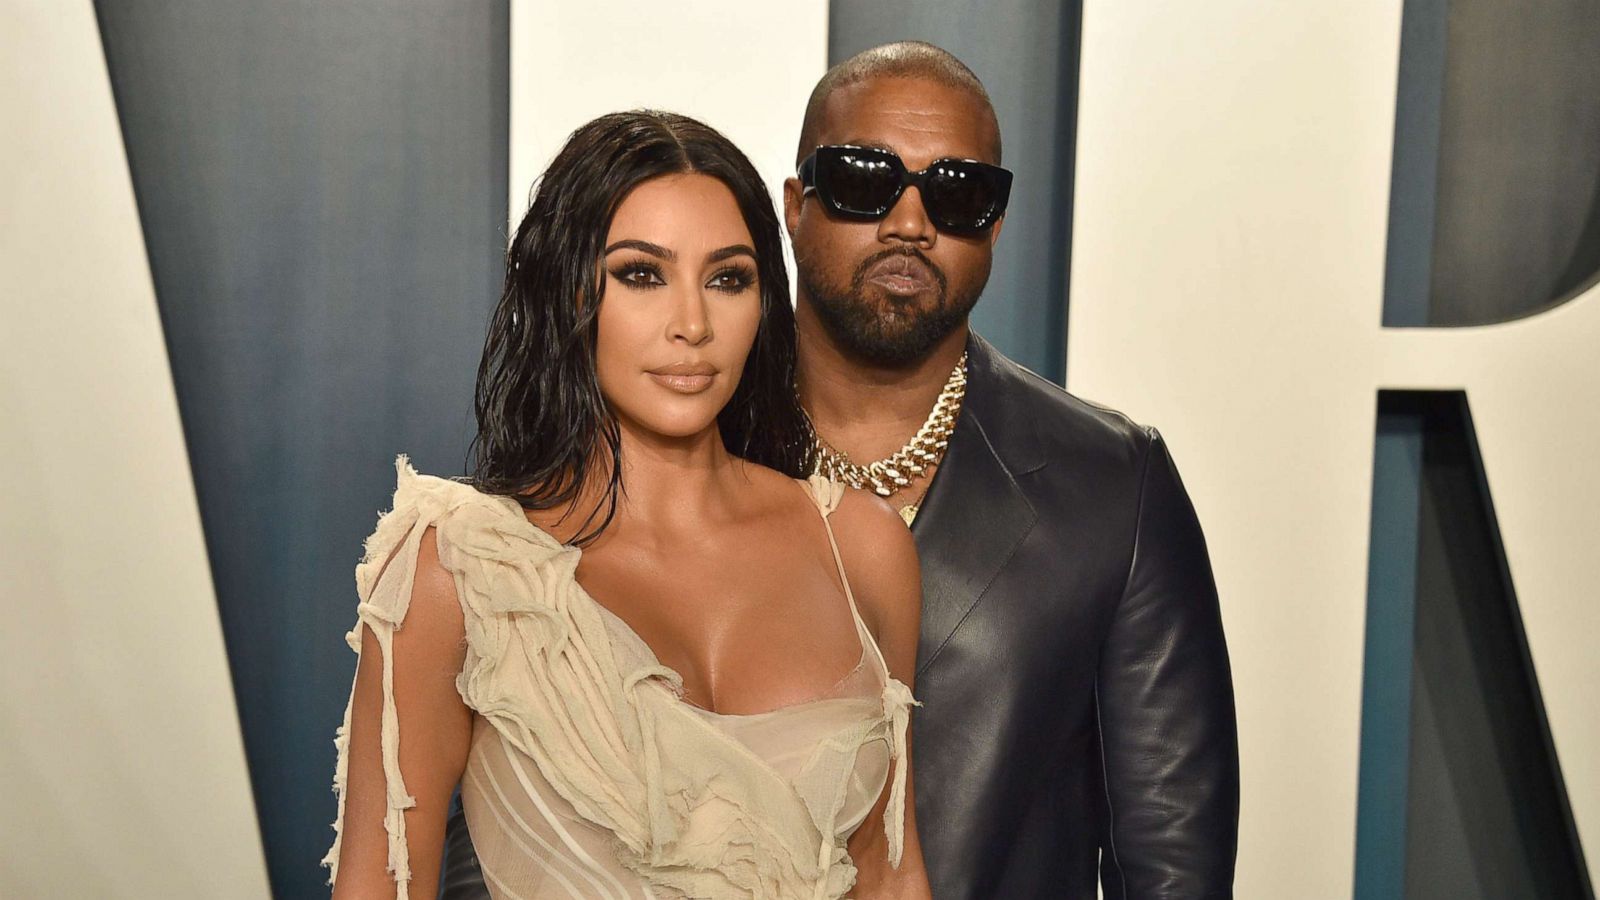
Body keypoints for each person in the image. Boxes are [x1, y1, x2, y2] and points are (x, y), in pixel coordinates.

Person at [440, 42, 1240, 900]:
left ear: (997, 226)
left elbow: (1172, 865)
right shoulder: (646, 447)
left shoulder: (1114, 485)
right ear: (795, 205)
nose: (909, 221)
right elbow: (490, 824)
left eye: (959, 193)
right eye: (864, 178)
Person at [322, 110, 933, 899]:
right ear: (572, 291)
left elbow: (892, 875)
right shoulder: (456, 572)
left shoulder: (861, 547)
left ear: (763, 304)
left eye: (728, 278)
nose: (692, 325)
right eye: (642, 274)